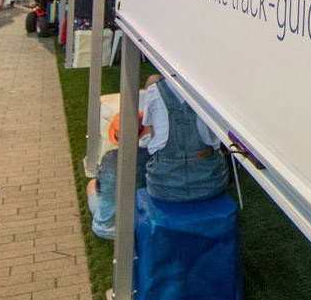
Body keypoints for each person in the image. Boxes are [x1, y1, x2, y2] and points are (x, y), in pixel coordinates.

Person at [141, 74, 228, 202]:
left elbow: (152, 135)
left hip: (162, 187)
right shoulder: (211, 89)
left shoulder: (153, 90)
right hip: (211, 184)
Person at [86, 113, 150, 240]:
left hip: (104, 228)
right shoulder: (147, 158)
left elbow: (99, 186)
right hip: (136, 227)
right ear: (140, 134)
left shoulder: (108, 157)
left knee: (92, 184)